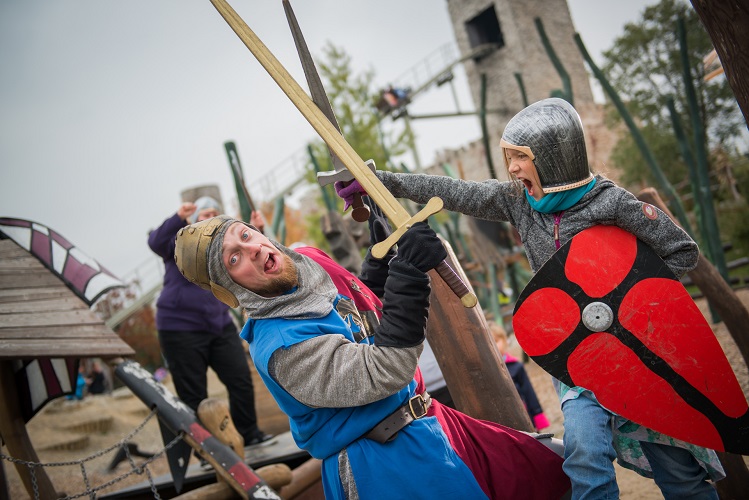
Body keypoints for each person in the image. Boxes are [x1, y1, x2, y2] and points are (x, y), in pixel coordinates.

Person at [337, 97, 725, 499]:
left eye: (521, 156)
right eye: (510, 156)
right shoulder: (519, 202)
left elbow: (682, 251)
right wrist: (381, 181)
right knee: (585, 460)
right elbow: (452, 191)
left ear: (554, 158)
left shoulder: (612, 203)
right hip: (578, 362)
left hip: (639, 356)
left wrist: (626, 302)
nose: (512, 168)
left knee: (678, 475)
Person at [174, 214, 571, 499]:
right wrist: (409, 272)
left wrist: (380, 264)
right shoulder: (283, 346)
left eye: (245, 235)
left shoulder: (303, 266)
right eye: (234, 259)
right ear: (232, 288)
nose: (252, 249)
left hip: (432, 425)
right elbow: (384, 369)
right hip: (383, 465)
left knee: (547, 472)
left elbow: (352, 312)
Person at [147, 195, 270, 449]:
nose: (209, 216)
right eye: (204, 213)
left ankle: (249, 434)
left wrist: (258, 230)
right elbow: (155, 242)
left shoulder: (223, 247)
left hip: (218, 324)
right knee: (194, 395)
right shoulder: (180, 242)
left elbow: (250, 257)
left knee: (240, 379)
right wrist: (178, 217)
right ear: (193, 219)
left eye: (214, 212)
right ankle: (208, 451)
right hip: (179, 326)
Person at [490, 323, 550, 432]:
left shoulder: (516, 366)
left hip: (523, 413)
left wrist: (537, 414)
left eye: (496, 341)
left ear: (504, 341)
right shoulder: (486, 370)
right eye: (489, 343)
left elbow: (529, 392)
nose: (493, 345)